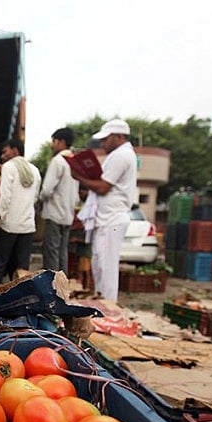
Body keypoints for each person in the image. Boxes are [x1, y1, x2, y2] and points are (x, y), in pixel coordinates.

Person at [71, 119, 137, 301]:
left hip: (112, 220)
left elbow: (103, 187)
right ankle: (105, 305)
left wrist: (79, 177)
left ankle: (109, 308)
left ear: (119, 136)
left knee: (106, 268)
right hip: (108, 219)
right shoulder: (119, 155)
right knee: (100, 266)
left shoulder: (121, 156)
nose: (102, 143)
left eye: (106, 139)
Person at [0, 138, 41, 281]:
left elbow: (5, 197)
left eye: (5, 152)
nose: (2, 156)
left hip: (8, 226)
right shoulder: (35, 170)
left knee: (0, 264)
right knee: (22, 269)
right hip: (27, 226)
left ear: (15, 150)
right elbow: (35, 197)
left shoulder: (9, 166)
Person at [39, 127, 79, 273]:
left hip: (54, 212)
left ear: (61, 142)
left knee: (51, 251)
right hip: (68, 213)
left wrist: (40, 198)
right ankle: (63, 284)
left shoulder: (58, 161)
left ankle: (52, 287)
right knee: (63, 251)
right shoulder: (75, 160)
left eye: (54, 141)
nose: (52, 145)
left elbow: (47, 189)